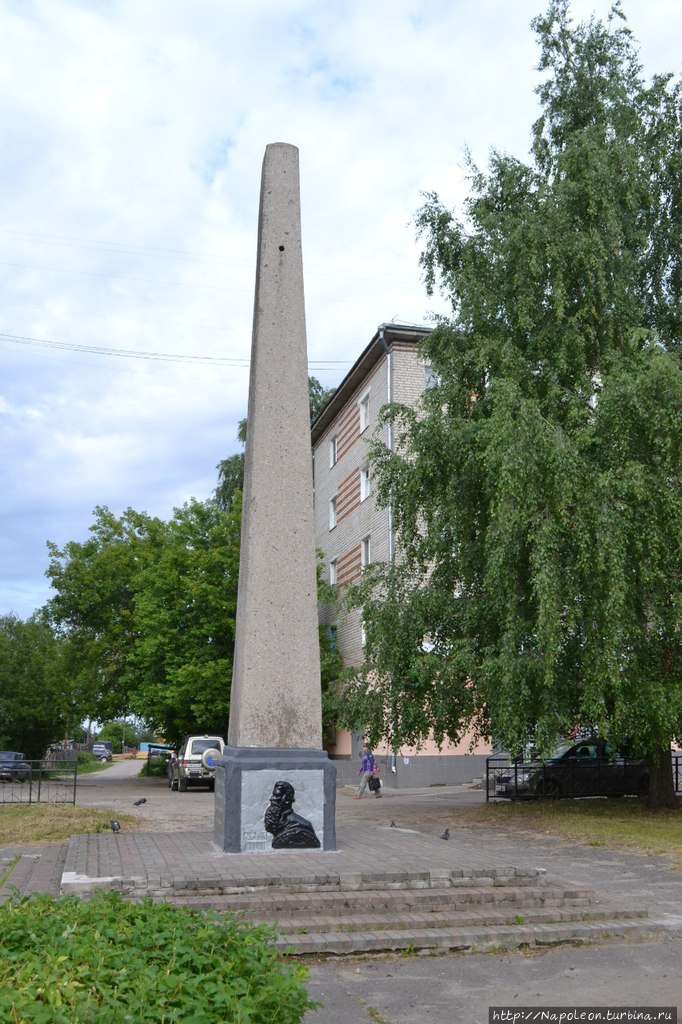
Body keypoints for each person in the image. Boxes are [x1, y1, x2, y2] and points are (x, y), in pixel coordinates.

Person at [263, 780, 320, 849]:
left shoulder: (303, 825)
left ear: (287, 800)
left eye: (277, 796)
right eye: (273, 795)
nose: (272, 799)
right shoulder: (278, 821)